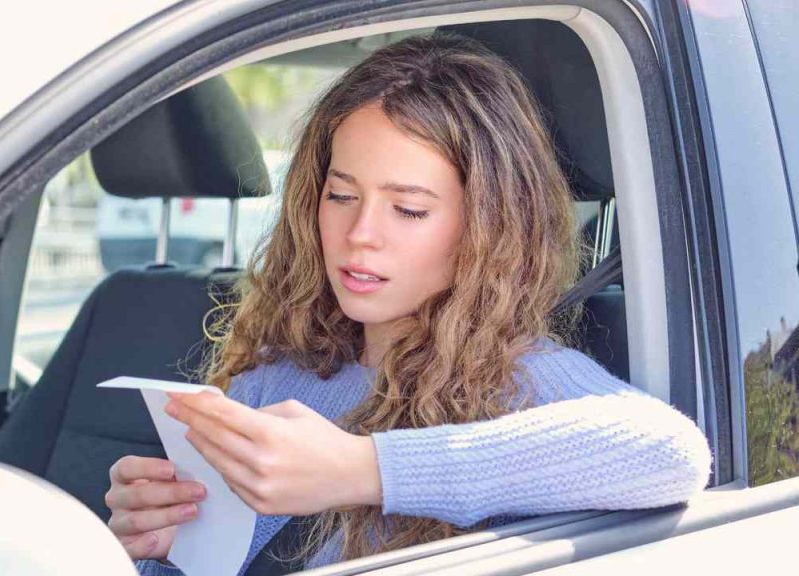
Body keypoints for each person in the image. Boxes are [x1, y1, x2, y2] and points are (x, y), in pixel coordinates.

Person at [104, 33, 712, 575]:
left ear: (486, 225)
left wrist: (363, 469)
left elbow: (672, 454)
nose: (361, 232)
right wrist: (154, 546)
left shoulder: (523, 382)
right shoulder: (276, 379)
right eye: (341, 195)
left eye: (409, 209)